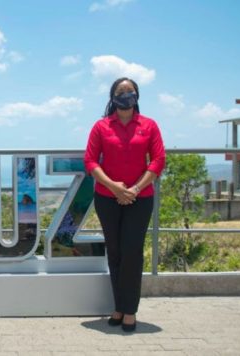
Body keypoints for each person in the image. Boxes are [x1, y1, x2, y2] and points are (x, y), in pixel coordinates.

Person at [83, 78, 165, 332]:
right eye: (121, 92)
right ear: (112, 97)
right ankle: (118, 307)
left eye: (130, 91)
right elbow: (90, 161)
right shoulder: (101, 126)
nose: (126, 95)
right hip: (107, 199)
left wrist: (134, 189)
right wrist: (115, 188)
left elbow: (158, 161)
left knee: (132, 253)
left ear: (137, 96)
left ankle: (130, 311)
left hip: (140, 199)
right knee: (115, 252)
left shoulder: (149, 125)